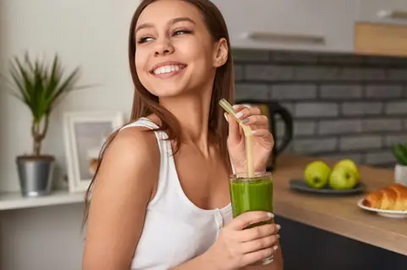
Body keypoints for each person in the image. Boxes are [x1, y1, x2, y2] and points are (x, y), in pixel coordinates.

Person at [81, 0, 284, 269]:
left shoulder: (230, 149)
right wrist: (215, 261)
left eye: (179, 32)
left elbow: (269, 266)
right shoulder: (135, 149)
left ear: (219, 52)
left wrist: (250, 172)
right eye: (145, 38)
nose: (160, 46)